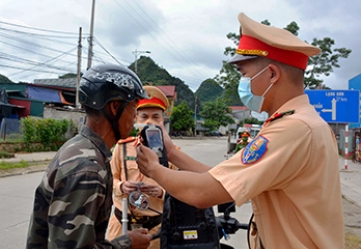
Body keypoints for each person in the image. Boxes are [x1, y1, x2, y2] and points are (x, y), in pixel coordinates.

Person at [136, 12, 344, 249]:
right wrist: (172, 153)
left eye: (245, 75)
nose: (242, 84)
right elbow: (223, 177)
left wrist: (153, 168)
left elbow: (204, 192)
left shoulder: (293, 129)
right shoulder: (304, 122)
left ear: (272, 74)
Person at [26, 64, 152, 249]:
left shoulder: (80, 147)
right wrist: (128, 243)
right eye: (134, 108)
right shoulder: (88, 169)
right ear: (115, 107)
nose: (135, 118)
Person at [106, 86, 177, 249]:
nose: (149, 122)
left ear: (163, 120)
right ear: (136, 118)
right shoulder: (122, 148)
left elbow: (181, 190)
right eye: (144, 116)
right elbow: (111, 178)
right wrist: (122, 186)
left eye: (155, 117)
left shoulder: (172, 154)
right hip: (121, 226)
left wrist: (162, 192)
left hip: (155, 229)